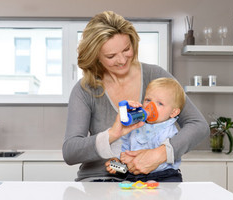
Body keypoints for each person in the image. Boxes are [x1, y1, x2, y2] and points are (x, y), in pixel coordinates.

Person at [62, 11, 209, 182]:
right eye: (111, 56)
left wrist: (159, 154)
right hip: (100, 179)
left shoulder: (156, 76)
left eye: (126, 49)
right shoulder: (85, 90)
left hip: (154, 179)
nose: (122, 60)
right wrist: (112, 134)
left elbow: (199, 125)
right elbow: (70, 151)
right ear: (96, 57)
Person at [106, 77, 186, 182]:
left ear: (173, 112)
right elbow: (125, 148)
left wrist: (134, 160)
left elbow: (166, 161)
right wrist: (118, 163)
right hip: (134, 175)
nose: (150, 106)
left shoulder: (169, 131)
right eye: (148, 100)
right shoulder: (137, 125)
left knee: (169, 187)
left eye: (160, 103)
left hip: (163, 175)